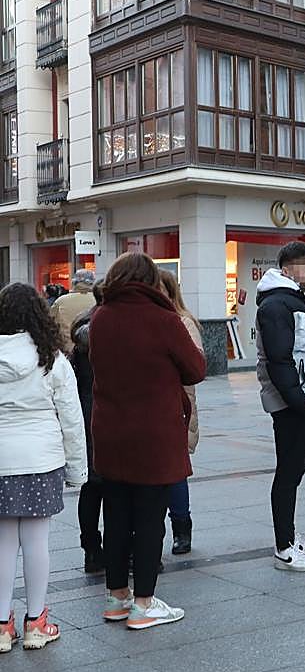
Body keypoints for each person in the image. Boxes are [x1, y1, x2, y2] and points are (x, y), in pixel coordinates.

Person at [90, 252, 206, 629]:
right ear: (150, 281)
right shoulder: (163, 319)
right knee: (150, 518)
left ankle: (116, 597)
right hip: (154, 435)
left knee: (116, 516)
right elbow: (196, 369)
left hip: (110, 432)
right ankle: (143, 603)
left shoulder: (101, 316)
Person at [0, 284, 86, 651]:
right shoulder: (52, 359)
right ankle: (36, 622)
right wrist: (78, 469)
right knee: (36, 541)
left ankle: (2, 626)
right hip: (40, 460)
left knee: (3, 543)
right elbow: (71, 418)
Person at [255, 242, 305, 573]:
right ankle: (284, 547)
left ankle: (289, 535)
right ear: (286, 270)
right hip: (292, 403)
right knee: (288, 473)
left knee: (294, 472)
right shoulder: (276, 305)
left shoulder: (295, 299)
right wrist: (299, 401)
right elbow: (279, 358)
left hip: (303, 398)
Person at [160, 271, 205, 556]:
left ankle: (181, 527)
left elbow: (196, 366)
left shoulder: (183, 321)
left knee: (176, 470)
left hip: (179, 406)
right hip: (157, 406)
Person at [69, 304, 103, 573]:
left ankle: (91, 549)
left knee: (90, 487)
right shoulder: (113, 331)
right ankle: (122, 549)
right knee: (117, 490)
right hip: (110, 413)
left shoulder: (82, 334)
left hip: (85, 413)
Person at [49, 270, 97, 352]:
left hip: (67, 349)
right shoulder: (98, 300)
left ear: (73, 282)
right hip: (93, 348)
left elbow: (50, 323)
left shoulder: (61, 301)